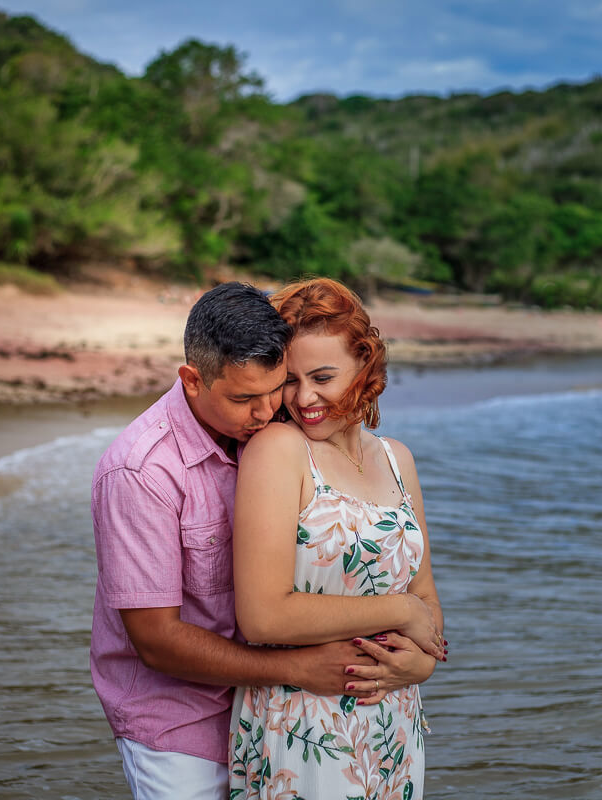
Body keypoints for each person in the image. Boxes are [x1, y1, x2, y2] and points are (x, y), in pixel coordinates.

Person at [90, 282, 444, 800]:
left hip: (365, 711)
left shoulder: (374, 453)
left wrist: (422, 662)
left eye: (273, 389)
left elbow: (424, 595)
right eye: (245, 398)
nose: (278, 407)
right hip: (184, 720)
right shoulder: (142, 471)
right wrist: (296, 667)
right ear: (193, 381)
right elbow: (159, 640)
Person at [229, 277, 446, 799]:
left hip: (394, 720)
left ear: (365, 364)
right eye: (290, 380)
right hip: (305, 724)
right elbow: (263, 615)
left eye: (323, 376)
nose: (305, 398)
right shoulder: (279, 450)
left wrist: (420, 667)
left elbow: (426, 600)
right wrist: (399, 613)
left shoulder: (397, 459)